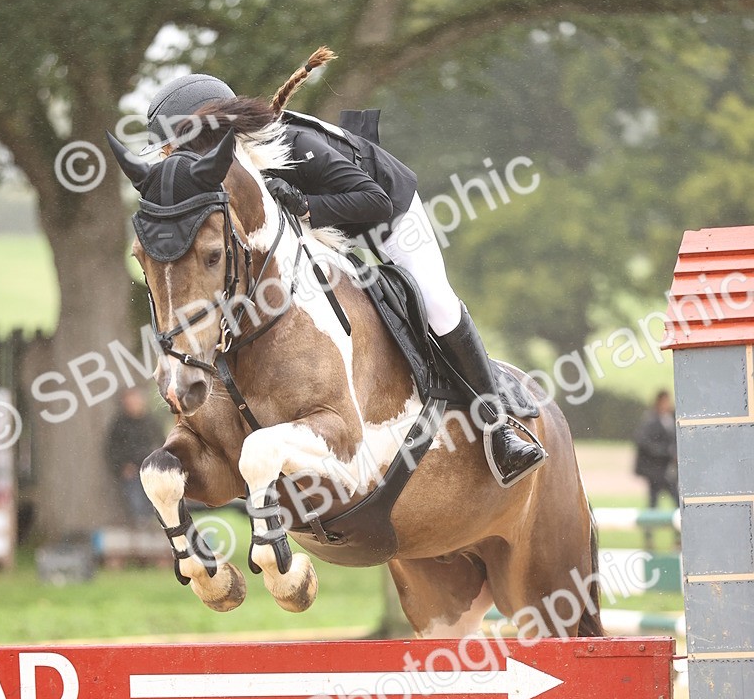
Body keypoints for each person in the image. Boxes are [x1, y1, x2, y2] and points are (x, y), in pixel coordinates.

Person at [140, 50, 545, 488]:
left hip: (387, 217)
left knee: (437, 305)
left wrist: (306, 205)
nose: (168, 158)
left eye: (171, 146)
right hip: (323, 232)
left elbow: (375, 201)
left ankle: (499, 426)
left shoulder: (292, 144)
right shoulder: (220, 177)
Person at [105, 388, 164, 525]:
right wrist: (122, 466)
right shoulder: (119, 424)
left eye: (136, 400)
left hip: (153, 470)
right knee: (137, 506)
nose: (133, 404)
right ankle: (142, 527)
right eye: (129, 402)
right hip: (133, 472)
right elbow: (113, 449)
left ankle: (157, 527)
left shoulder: (152, 422)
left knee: (156, 502)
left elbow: (162, 443)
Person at [634, 390, 678, 546]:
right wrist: (667, 452)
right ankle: (649, 538)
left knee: (677, 503)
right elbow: (644, 443)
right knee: (653, 506)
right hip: (655, 472)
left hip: (668, 472)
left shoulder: (671, 418)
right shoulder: (651, 420)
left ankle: (678, 539)